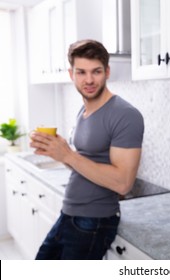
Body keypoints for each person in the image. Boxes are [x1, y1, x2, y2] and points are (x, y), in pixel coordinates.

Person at [30, 39, 144, 260]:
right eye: (81, 72)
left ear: (107, 72)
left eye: (96, 72)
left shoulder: (126, 115)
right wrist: (57, 151)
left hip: (95, 221)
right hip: (70, 214)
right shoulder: (84, 110)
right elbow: (81, 162)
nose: (89, 80)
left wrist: (69, 155)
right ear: (71, 74)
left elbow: (123, 182)